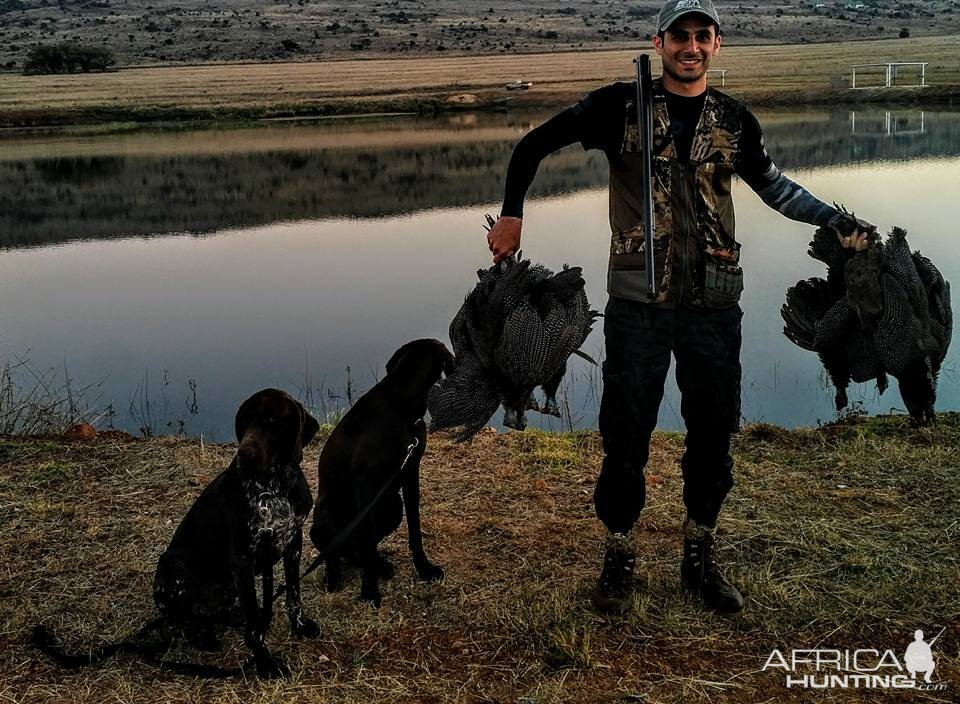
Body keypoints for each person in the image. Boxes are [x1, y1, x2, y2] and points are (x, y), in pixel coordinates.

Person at [486, 0, 871, 615]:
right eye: (679, 36)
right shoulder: (619, 106)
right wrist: (511, 214)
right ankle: (619, 552)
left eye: (701, 36)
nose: (690, 47)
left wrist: (836, 219)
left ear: (716, 45)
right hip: (638, 304)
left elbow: (775, 187)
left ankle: (699, 553)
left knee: (714, 433)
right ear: (659, 41)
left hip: (714, 306)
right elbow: (533, 146)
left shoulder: (734, 119)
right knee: (625, 435)